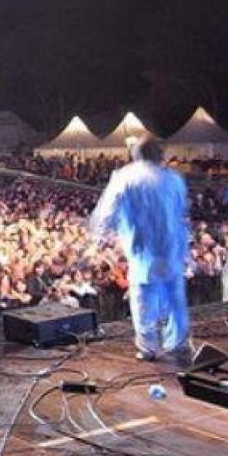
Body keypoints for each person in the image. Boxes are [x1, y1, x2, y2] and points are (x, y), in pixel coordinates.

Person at [91, 137, 193, 365]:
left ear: (136, 155)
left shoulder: (125, 177)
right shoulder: (174, 179)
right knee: (175, 299)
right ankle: (178, 343)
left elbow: (107, 211)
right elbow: (182, 212)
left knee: (143, 300)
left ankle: (148, 348)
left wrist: (99, 235)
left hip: (142, 248)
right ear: (160, 155)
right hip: (171, 248)